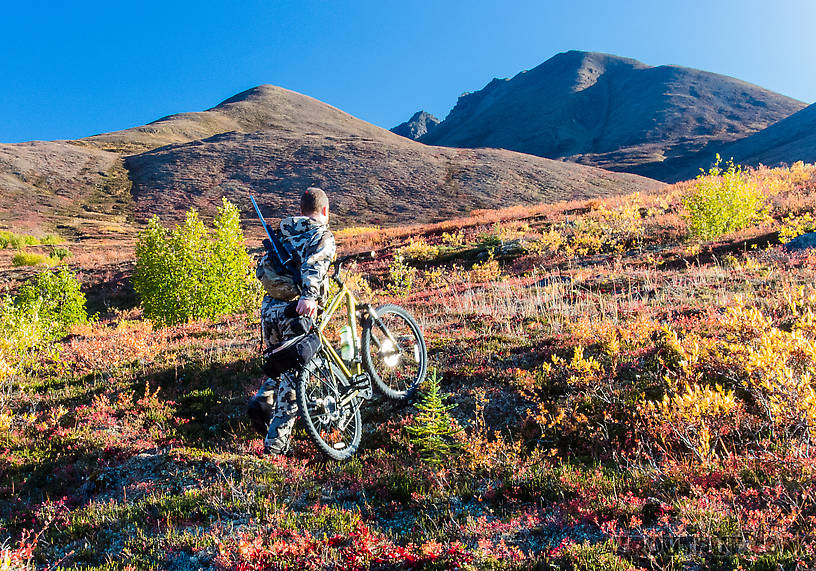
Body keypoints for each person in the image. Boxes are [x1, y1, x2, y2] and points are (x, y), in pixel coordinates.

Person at [247, 187, 336, 454]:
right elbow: (315, 265)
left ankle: (262, 399)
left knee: (282, 365)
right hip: (296, 310)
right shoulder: (321, 234)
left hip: (269, 310)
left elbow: (263, 269)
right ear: (324, 211)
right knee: (295, 378)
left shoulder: (283, 233)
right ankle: (275, 446)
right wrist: (309, 296)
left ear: (300, 211)